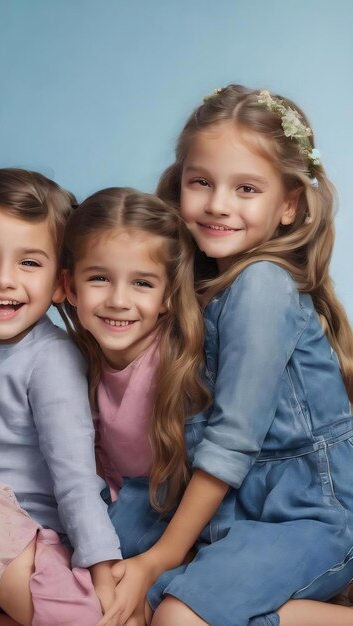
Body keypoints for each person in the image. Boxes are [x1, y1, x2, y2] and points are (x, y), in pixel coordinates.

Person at [98, 84, 353, 626]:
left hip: (305, 513)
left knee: (176, 616)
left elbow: (233, 439)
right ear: (180, 183)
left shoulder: (263, 284)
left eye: (246, 189)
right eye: (201, 182)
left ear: (288, 206)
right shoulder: (197, 279)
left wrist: (162, 557)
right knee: (95, 571)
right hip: (226, 499)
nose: (218, 204)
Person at [0, 168, 124, 626]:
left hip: (40, 543)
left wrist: (102, 567)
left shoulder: (50, 360)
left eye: (29, 263)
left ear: (60, 284)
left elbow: (76, 478)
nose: (4, 280)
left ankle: (80, 613)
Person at [59, 187, 210, 625]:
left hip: (179, 524)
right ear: (69, 286)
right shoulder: (73, 361)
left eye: (142, 283)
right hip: (119, 515)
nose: (119, 300)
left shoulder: (179, 364)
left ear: (167, 295)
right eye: (99, 278)